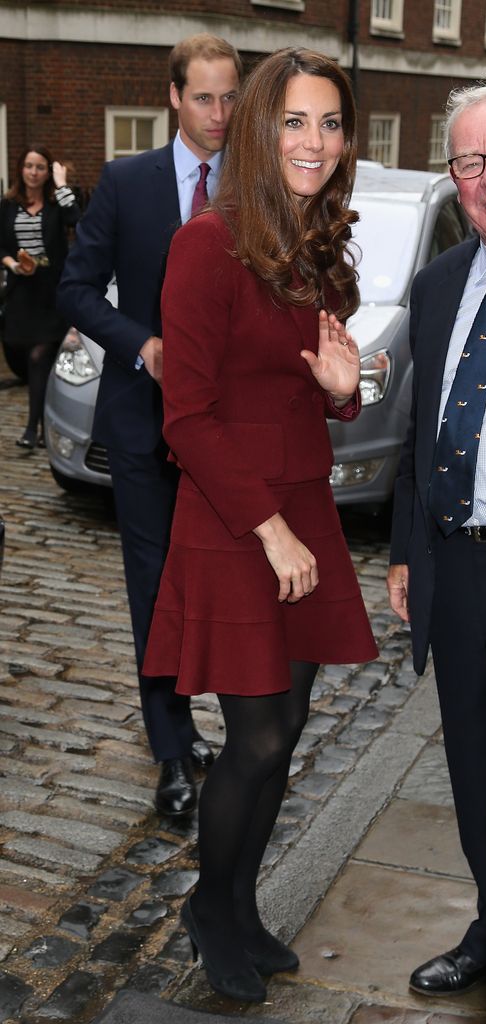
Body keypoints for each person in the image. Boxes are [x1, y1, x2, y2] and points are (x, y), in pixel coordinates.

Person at [142, 47, 377, 1003]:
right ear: (256, 128)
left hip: (303, 506)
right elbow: (187, 415)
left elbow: (299, 391)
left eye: (328, 123)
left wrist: (344, 395)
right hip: (238, 517)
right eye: (294, 121)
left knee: (289, 721)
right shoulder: (208, 242)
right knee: (257, 737)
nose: (313, 142)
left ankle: (238, 905)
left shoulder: (314, 244)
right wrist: (269, 530)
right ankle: (209, 907)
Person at [57, 34, 242, 817]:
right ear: (173, 96)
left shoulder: (254, 185)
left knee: (222, 587)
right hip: (141, 427)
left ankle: (222, 727)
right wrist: (143, 346)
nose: (219, 115)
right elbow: (76, 288)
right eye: (203, 98)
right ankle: (169, 748)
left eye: (231, 98)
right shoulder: (127, 182)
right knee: (155, 588)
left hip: (229, 434)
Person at [387, 81, 486, 997]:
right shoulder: (434, 286)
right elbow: (417, 432)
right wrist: (403, 549)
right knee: (475, 770)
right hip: (457, 569)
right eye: (469, 162)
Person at [0, 144, 79, 448]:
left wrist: (62, 186)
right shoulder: (7, 206)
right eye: (29, 166)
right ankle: (44, 424)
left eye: (41, 167)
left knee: (38, 357)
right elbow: (1, 246)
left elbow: (77, 220)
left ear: (48, 172)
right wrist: (11, 264)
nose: (34, 172)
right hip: (22, 292)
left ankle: (33, 428)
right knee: (31, 359)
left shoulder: (56, 204)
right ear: (21, 169)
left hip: (52, 292)